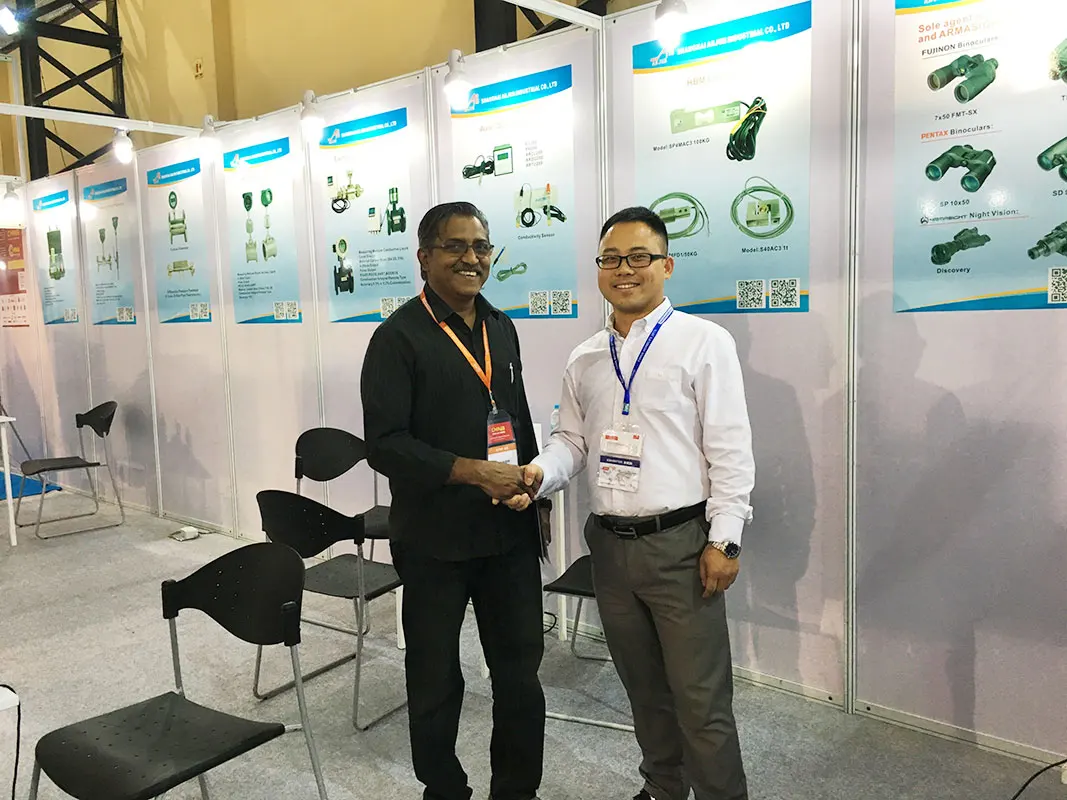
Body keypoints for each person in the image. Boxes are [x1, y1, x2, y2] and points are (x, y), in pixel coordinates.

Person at [509, 206, 755, 800]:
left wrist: (725, 539)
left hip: (682, 547)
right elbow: (572, 442)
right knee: (643, 690)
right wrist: (537, 475)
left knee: (701, 700)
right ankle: (664, 786)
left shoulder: (704, 342)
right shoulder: (586, 357)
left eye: (639, 257)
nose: (625, 269)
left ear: (666, 266)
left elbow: (730, 449)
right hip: (610, 549)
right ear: (599, 269)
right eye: (611, 259)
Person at [361, 202, 545, 800]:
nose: (471, 258)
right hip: (434, 540)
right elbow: (384, 446)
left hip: (507, 537)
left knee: (519, 677)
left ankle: (516, 791)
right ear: (424, 257)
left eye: (481, 246)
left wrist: (531, 486)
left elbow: (515, 417)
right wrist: (471, 473)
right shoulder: (396, 338)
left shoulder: (501, 326)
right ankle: (444, 789)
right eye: (455, 246)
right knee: (436, 679)